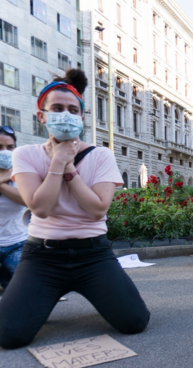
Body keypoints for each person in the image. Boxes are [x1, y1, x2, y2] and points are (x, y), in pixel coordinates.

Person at [0, 69, 150, 349]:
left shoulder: (101, 155)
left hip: (93, 254)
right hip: (42, 257)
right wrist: (57, 163)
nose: (65, 115)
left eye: (72, 109)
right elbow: (40, 208)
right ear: (41, 116)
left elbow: (97, 210)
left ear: (81, 117)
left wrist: (69, 168)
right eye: (57, 108)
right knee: (10, 335)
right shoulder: (25, 155)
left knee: (135, 322)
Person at [0, 128, 28, 292]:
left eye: (10, 147)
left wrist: (2, 182)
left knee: (23, 292)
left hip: (17, 244)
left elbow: (26, 200)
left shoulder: (22, 173)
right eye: (0, 147)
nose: (5, 152)